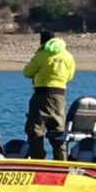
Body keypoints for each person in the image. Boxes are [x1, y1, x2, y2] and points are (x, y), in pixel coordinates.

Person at [22, 30, 76, 160]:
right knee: (58, 132)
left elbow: (27, 73)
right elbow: (70, 76)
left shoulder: (41, 55)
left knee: (35, 130)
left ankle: (38, 160)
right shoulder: (68, 56)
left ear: (42, 41)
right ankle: (62, 162)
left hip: (41, 95)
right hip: (60, 97)